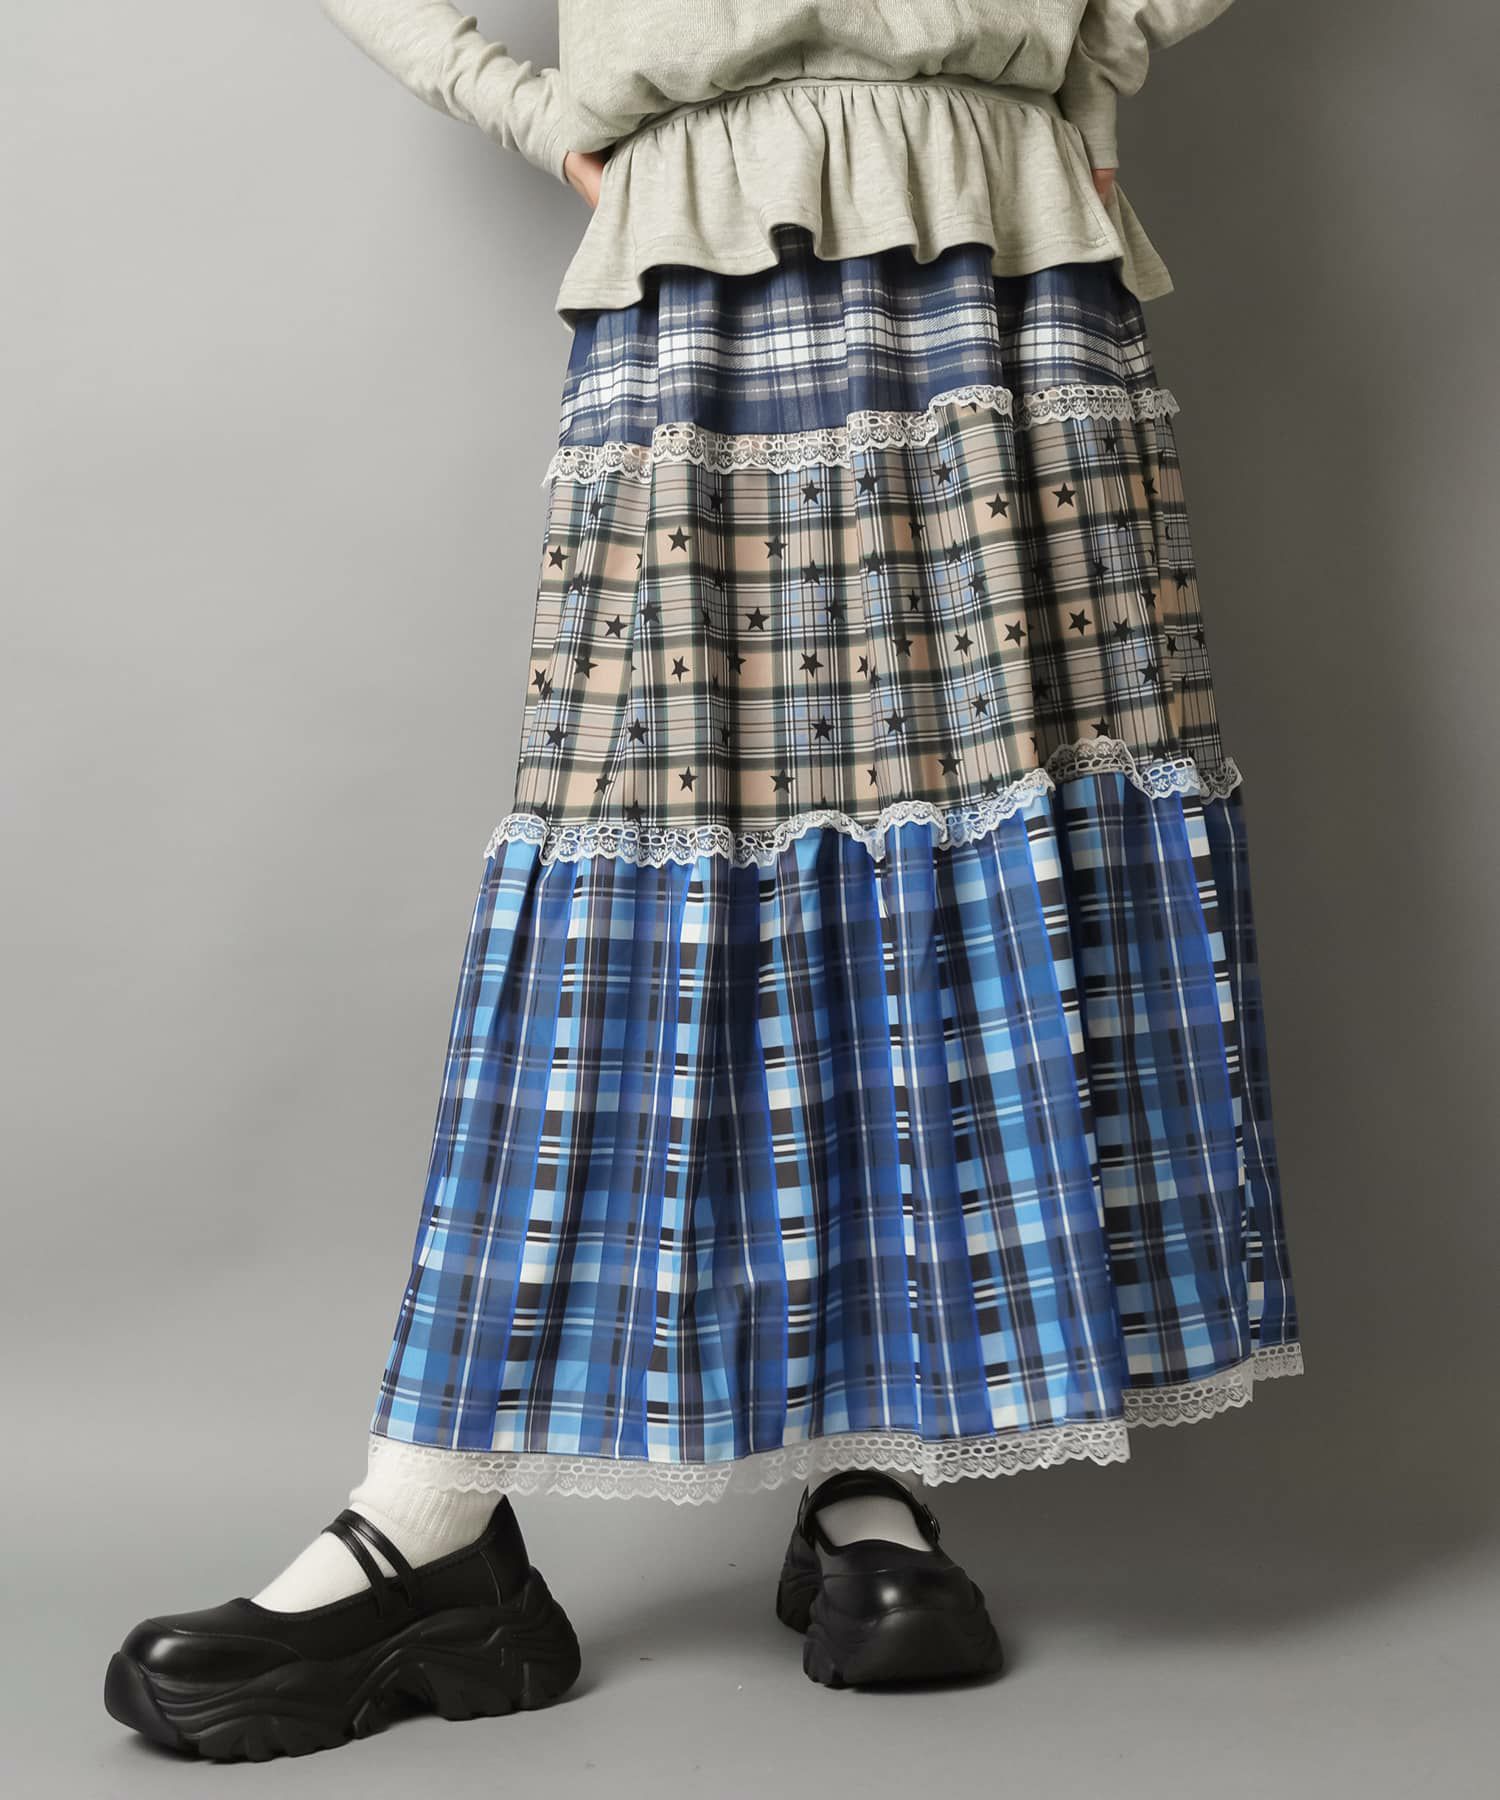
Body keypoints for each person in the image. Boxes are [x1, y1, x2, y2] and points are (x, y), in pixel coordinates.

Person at [104, 0, 1301, 1761]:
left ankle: (869, 1480)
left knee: (961, 867)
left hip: (1004, 217)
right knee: (650, 872)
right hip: (709, 225)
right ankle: (435, 1514)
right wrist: (526, 106)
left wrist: (1095, 58)